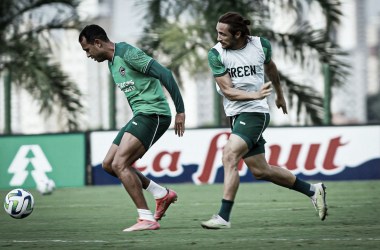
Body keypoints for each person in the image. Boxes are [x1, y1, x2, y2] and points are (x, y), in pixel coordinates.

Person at [201, 12, 327, 229]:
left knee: (229, 155)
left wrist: (279, 93)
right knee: (261, 171)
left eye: (223, 33)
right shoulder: (216, 54)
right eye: (217, 33)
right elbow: (228, 92)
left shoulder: (261, 45)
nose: (219, 37)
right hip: (238, 113)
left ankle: (223, 217)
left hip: (255, 113)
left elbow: (271, 68)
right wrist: (255, 94)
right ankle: (313, 190)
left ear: (238, 33)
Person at [79, 25, 186, 232]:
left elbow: (165, 73)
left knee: (121, 163)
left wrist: (180, 111)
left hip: (153, 114)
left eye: (87, 49)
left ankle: (146, 218)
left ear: (98, 43)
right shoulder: (111, 63)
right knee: (109, 164)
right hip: (141, 115)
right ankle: (161, 194)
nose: (88, 55)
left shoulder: (128, 53)